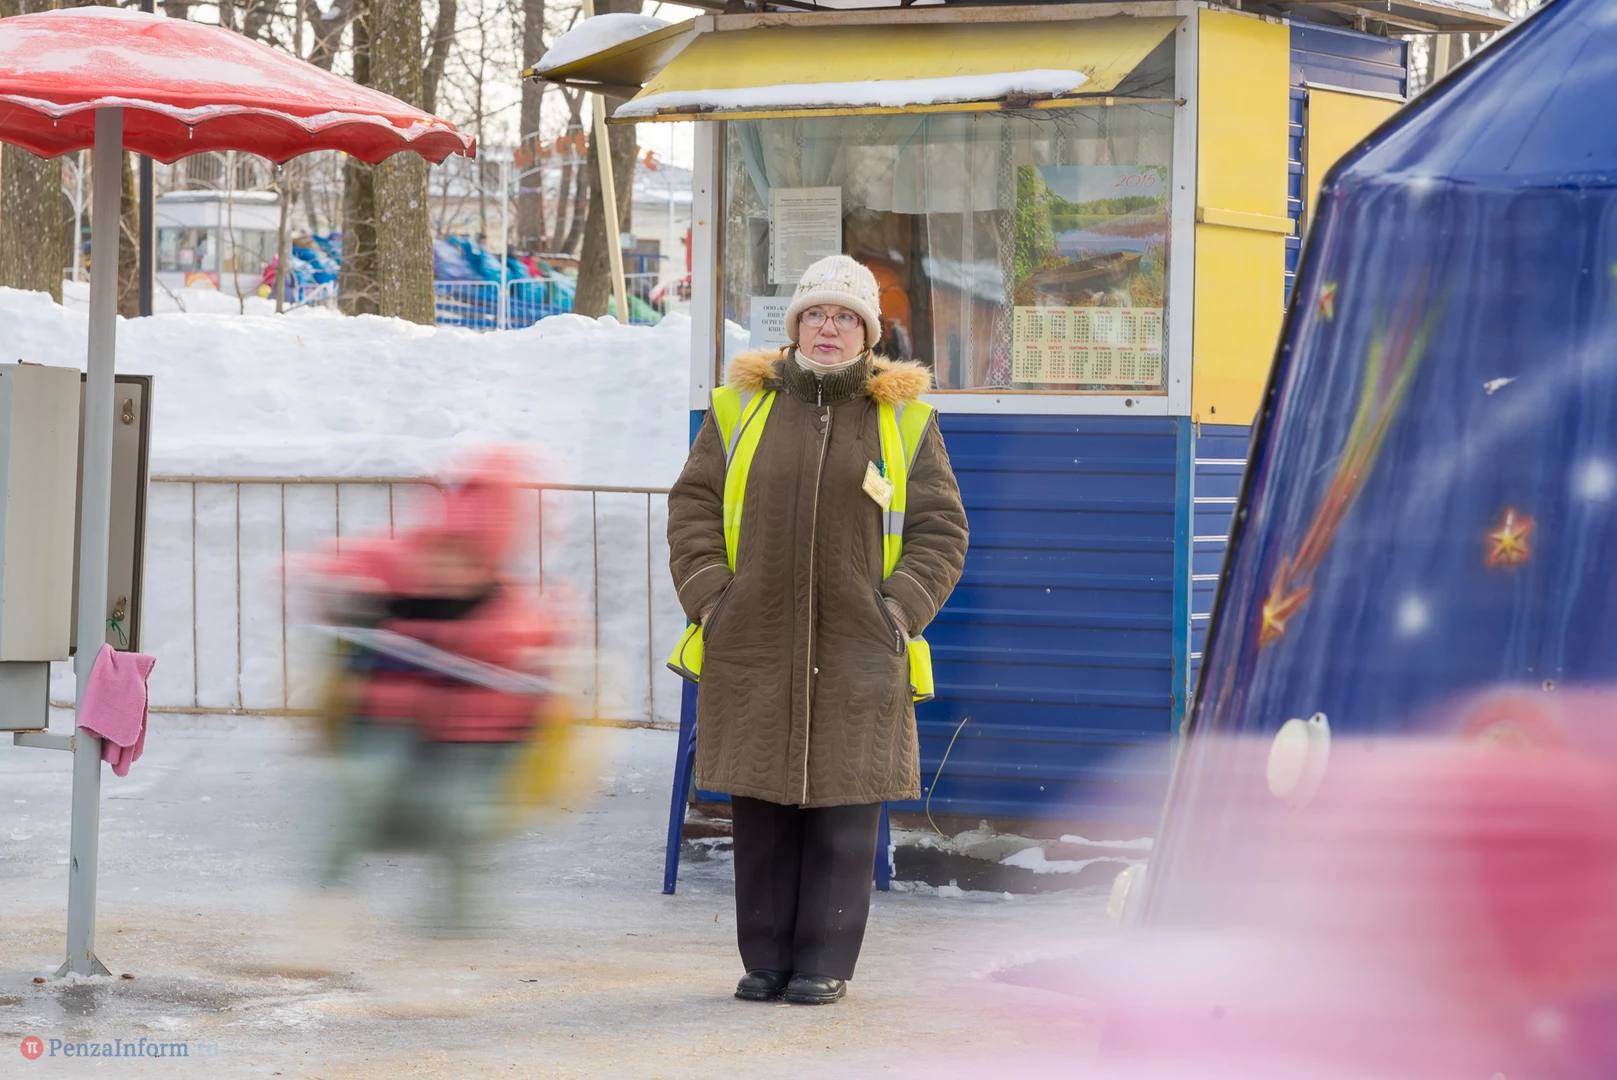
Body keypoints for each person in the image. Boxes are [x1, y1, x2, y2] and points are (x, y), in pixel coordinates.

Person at [667, 254, 969, 1004]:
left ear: (868, 333)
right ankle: (765, 959)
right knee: (760, 806)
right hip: (754, 640)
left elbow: (940, 532)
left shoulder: (906, 421)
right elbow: (693, 510)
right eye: (815, 314)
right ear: (795, 325)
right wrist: (712, 599)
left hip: (860, 645)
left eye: (845, 317)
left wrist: (898, 610)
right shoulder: (738, 411)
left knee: (845, 809)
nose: (828, 328)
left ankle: (825, 961)